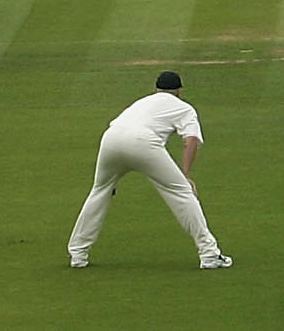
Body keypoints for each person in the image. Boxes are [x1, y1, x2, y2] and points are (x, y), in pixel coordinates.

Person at [68, 71, 232, 270]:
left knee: (100, 191)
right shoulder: (184, 108)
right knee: (182, 192)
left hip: (110, 139)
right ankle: (209, 254)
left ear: (156, 89)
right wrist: (186, 175)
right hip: (142, 142)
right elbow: (191, 141)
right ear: (179, 91)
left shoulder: (141, 102)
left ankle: (78, 254)